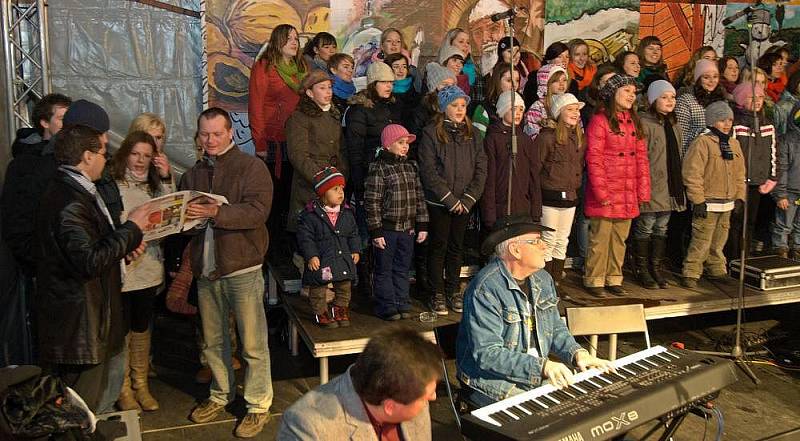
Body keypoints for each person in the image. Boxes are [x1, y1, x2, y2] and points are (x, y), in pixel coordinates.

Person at [35, 123, 150, 413]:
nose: (106, 159)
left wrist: (123, 248)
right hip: (81, 327)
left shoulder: (76, 190)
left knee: (97, 402)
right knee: (83, 410)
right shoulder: (69, 200)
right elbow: (89, 260)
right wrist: (133, 227)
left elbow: (91, 248)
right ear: (87, 156)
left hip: (93, 318)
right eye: (102, 151)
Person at [181, 108, 274, 438]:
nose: (210, 140)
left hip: (242, 268)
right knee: (214, 342)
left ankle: (258, 404)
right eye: (205, 134)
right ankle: (220, 395)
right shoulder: (192, 174)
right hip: (207, 270)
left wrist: (216, 212)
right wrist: (182, 217)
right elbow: (183, 221)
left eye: (217, 133)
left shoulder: (252, 167)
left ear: (231, 133)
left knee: (252, 343)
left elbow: (258, 211)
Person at [456, 214, 613, 407]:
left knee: (597, 403)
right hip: (490, 382)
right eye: (536, 241)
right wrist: (543, 366)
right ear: (515, 250)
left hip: (533, 374)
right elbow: (488, 354)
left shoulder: (543, 279)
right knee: (554, 416)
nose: (544, 246)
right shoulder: (485, 289)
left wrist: (578, 354)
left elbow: (555, 328)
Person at [277, 329, 440, 441]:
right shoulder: (306, 427)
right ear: (390, 406)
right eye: (425, 397)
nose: (433, 397)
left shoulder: (413, 390)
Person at [110, 131, 175, 411]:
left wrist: (166, 178)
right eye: (136, 154)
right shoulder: (111, 185)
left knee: (142, 327)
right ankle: (123, 389)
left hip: (148, 268)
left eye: (147, 156)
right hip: (122, 271)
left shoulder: (153, 186)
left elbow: (172, 215)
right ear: (125, 153)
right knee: (122, 330)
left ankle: (141, 385)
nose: (140, 161)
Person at [418, 85, 487, 315]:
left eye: (463, 106)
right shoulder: (431, 133)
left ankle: (453, 288)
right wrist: (449, 198)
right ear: (444, 107)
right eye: (455, 105)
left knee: (457, 247)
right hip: (441, 202)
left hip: (464, 202)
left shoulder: (473, 134)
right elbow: (428, 171)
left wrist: (467, 199)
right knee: (439, 246)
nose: (460, 110)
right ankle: (436, 292)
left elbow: (481, 168)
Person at [583, 74, 651, 295]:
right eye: (627, 91)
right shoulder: (600, 120)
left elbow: (641, 159)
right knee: (600, 239)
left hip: (627, 190)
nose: (632, 96)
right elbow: (594, 158)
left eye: (634, 92)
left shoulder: (634, 122)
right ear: (613, 94)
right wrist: (601, 191)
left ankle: (614, 277)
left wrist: (643, 190)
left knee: (619, 238)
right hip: (607, 190)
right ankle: (594, 279)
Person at [248, 24, 307, 259]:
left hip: (298, 140)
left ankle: (291, 249)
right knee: (275, 199)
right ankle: (273, 251)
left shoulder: (302, 68)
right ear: (278, 40)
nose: (294, 42)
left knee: (295, 197)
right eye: (289, 38)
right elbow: (256, 106)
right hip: (273, 142)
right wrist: (260, 144)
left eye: (296, 38)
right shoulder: (265, 67)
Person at [2, 93, 71, 275]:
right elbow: (15, 219)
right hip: (37, 269)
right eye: (63, 119)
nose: (69, 126)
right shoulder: (24, 164)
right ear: (44, 122)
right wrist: (37, 262)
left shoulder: (71, 159)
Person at [365, 125, 429, 320]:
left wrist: (422, 224)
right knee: (384, 268)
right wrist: (376, 230)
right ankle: (387, 305)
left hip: (407, 228)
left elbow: (419, 197)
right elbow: (372, 201)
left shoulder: (410, 167)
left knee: (402, 267)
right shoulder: (379, 168)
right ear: (388, 144)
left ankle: (402, 301)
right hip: (387, 229)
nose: (405, 147)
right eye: (400, 143)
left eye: (407, 143)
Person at [681, 101, 746, 288]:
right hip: (708, 201)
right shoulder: (703, 142)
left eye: (730, 120)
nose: (727, 124)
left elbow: (740, 173)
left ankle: (716, 268)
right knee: (701, 238)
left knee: (719, 240)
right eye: (722, 120)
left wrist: (739, 197)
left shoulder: (733, 144)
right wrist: (698, 200)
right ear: (711, 121)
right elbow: (692, 173)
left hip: (727, 202)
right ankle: (691, 271)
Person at [635, 80, 686, 289]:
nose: (669, 101)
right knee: (646, 226)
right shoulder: (644, 123)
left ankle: (656, 267)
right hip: (652, 184)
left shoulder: (674, 124)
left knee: (662, 227)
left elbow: (679, 154)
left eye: (672, 97)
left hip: (670, 186)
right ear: (653, 100)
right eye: (664, 97)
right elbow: (641, 156)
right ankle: (642, 268)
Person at [297, 167, 360, 327]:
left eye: (342, 189)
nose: (341, 193)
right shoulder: (311, 216)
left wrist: (355, 250)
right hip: (323, 260)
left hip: (342, 258)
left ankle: (340, 310)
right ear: (324, 193)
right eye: (335, 189)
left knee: (344, 287)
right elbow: (306, 238)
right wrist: (311, 256)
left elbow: (353, 233)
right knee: (319, 288)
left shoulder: (347, 213)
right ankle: (321, 313)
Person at [285, 70, 346, 233]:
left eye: (329, 87)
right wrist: (323, 178)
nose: (328, 92)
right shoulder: (299, 118)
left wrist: (341, 176)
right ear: (310, 93)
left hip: (334, 183)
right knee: (310, 234)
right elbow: (298, 155)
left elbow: (341, 150)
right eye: (322, 88)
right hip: (311, 184)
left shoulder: (334, 115)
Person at [535, 93, 586, 285]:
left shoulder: (579, 139)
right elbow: (537, 168)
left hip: (570, 197)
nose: (575, 113)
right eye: (570, 109)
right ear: (559, 112)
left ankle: (555, 281)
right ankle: (545, 284)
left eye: (577, 110)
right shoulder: (547, 138)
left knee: (562, 240)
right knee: (548, 240)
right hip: (550, 196)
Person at [725, 82, 778, 262]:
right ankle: (732, 257)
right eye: (751, 97)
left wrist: (772, 177)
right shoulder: (736, 124)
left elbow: (773, 151)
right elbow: (729, 154)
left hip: (757, 181)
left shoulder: (767, 125)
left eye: (761, 97)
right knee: (736, 221)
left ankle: (745, 257)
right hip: (738, 182)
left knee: (750, 222)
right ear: (741, 99)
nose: (757, 101)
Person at [481, 90, 541, 231]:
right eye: (513, 109)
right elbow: (489, 179)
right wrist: (489, 214)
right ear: (503, 109)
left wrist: (536, 211)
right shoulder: (493, 138)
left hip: (522, 206)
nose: (518, 113)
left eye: (521, 109)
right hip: (501, 207)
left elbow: (534, 177)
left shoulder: (525, 139)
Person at [772, 102, 800, 259]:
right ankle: (780, 253)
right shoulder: (787, 140)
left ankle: (797, 250)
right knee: (783, 226)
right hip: (789, 192)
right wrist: (780, 194)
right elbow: (781, 169)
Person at [472, 62, 520, 137]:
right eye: (509, 80)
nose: (515, 85)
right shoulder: (484, 108)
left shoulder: (520, 106)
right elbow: (478, 141)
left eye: (517, 80)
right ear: (498, 81)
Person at [523, 64, 569, 141]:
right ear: (545, 83)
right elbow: (533, 138)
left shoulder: (569, 104)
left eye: (564, 80)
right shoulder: (537, 108)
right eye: (556, 81)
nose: (562, 84)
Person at [523, 42, 569, 108]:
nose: (564, 60)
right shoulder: (534, 79)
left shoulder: (573, 84)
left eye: (567, 57)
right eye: (559, 57)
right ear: (548, 60)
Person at [385, 53, 421, 135]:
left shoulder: (417, 94)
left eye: (404, 66)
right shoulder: (384, 96)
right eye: (396, 67)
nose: (401, 70)